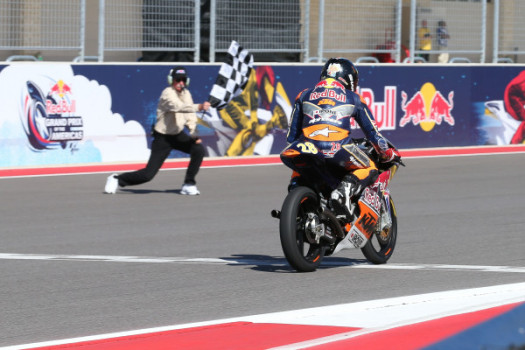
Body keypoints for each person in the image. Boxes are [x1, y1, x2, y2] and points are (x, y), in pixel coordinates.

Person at [282, 57, 400, 215]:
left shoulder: (303, 95)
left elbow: (291, 136)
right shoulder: (354, 98)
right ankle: (344, 190)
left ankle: (295, 191)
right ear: (349, 79)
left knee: (300, 164)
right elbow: (373, 134)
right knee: (370, 167)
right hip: (338, 148)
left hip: (307, 147)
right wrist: (387, 153)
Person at [104, 66, 210, 195]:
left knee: (198, 150)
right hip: (163, 139)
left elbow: (190, 117)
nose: (181, 83)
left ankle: (189, 184)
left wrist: (194, 133)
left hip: (178, 136)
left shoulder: (186, 94)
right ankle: (117, 179)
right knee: (148, 175)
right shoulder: (167, 93)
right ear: (171, 80)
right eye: (177, 80)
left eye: (183, 80)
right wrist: (199, 106)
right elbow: (179, 107)